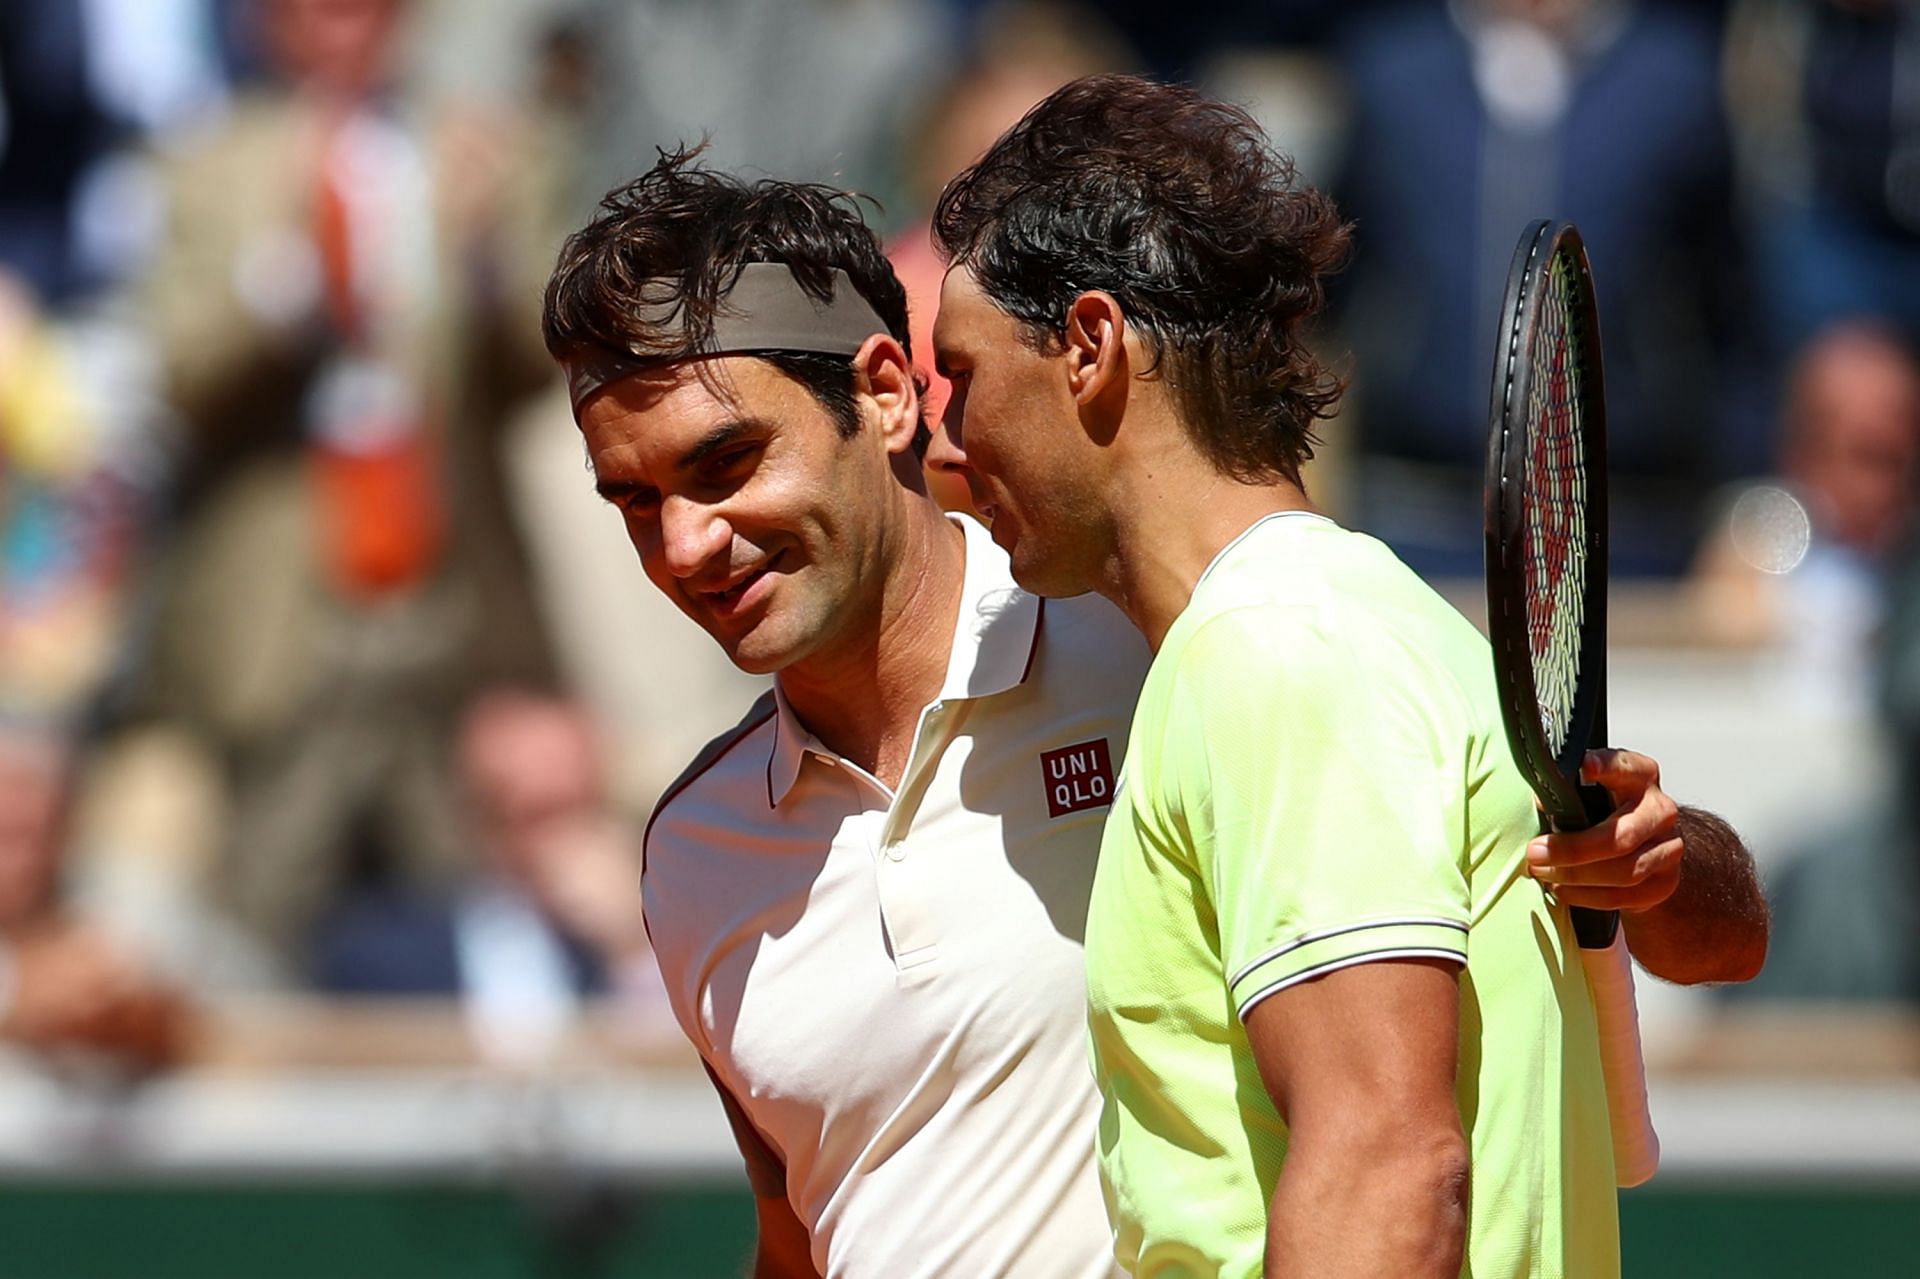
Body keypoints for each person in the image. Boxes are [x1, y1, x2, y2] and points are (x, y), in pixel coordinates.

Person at [543, 144, 1764, 1276]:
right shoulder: (690, 854)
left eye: (724, 463)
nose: (686, 544)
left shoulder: (1200, 643)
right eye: (634, 501)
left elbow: (1685, 936)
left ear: (883, 396)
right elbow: (800, 1234)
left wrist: (1663, 855)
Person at [924, 74, 1768, 1278]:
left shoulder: (1278, 651)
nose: (944, 438)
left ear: (1092, 348)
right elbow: (1726, 938)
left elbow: (1389, 1164)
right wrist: (1677, 857)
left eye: (962, 377)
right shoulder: (1388, 626)